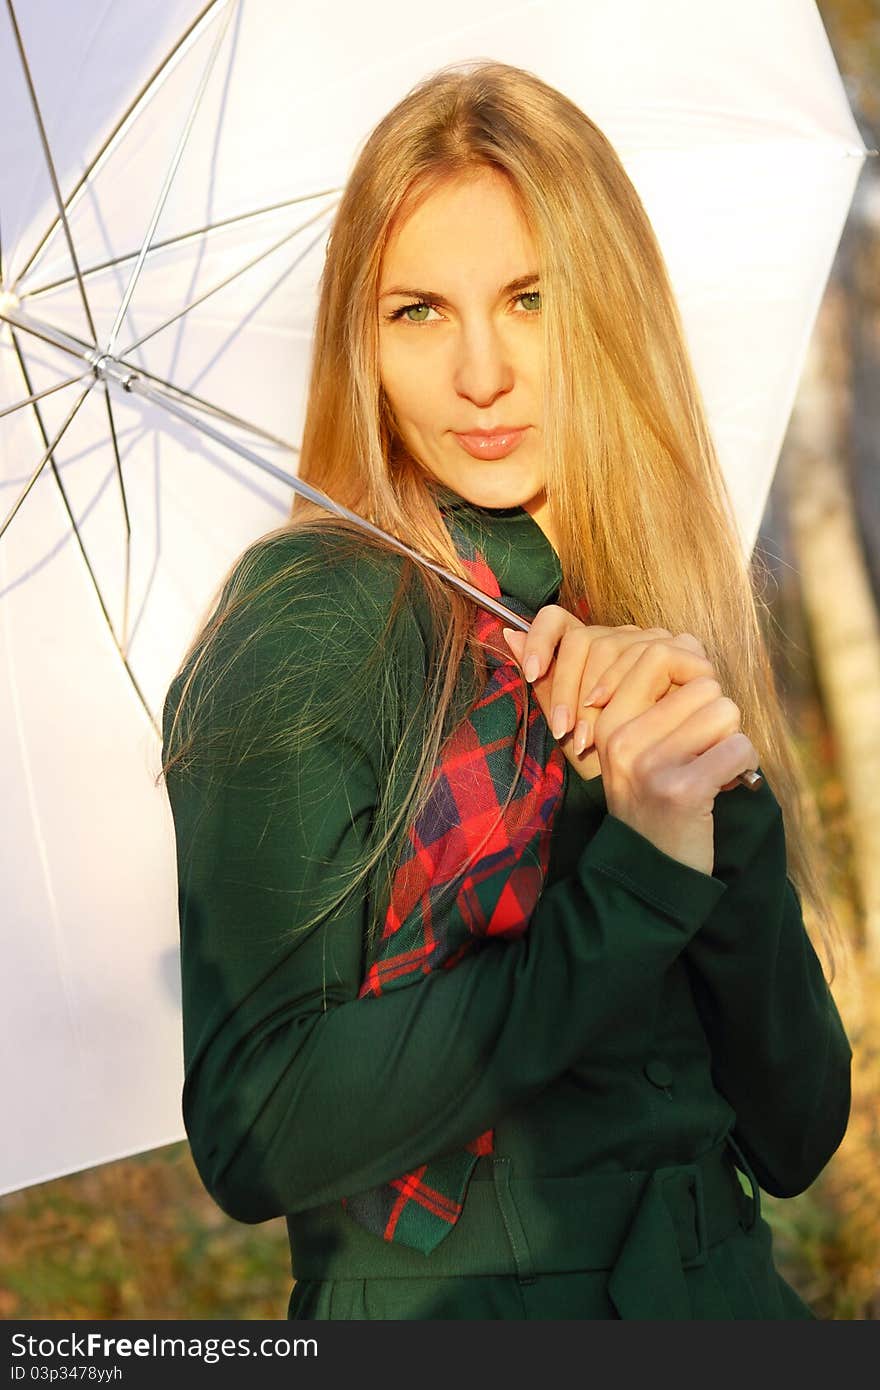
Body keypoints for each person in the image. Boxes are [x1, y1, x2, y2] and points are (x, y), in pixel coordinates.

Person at [159, 60, 852, 1320]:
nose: (480, 372)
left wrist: (717, 804)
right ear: (358, 344)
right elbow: (255, 1129)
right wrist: (633, 884)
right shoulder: (320, 621)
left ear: (606, 306)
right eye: (417, 311)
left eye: (528, 299)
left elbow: (796, 1132)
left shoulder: (650, 600)